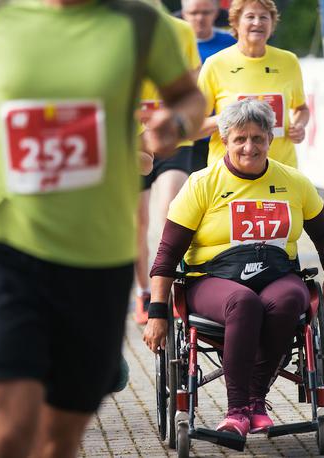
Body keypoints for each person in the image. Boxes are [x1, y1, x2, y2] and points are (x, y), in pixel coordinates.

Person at [0, 0, 206, 456]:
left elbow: (190, 95)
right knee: (9, 429)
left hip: (97, 254)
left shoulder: (141, 20)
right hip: (4, 245)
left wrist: (177, 121)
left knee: (60, 438)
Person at [143, 98, 324, 437]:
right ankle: (238, 410)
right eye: (240, 138)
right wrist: (157, 311)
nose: (249, 147)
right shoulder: (202, 183)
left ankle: (256, 401)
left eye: (257, 138)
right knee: (244, 303)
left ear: (269, 139)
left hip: (277, 272)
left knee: (287, 301)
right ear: (224, 139)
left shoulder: (293, 181)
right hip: (213, 278)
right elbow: (167, 252)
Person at [134, 7, 202, 325]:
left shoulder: (178, 30)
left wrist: (178, 120)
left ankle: (171, 285)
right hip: (129, 141)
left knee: (169, 209)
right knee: (139, 221)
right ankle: (143, 292)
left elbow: (194, 94)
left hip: (171, 138)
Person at [195, 0, 309, 169]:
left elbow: (301, 109)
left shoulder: (289, 61)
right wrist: (228, 118)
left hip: (281, 169)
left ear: (272, 23)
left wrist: (299, 126)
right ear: (236, 23)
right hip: (229, 173)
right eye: (250, 17)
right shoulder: (216, 64)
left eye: (264, 17)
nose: (257, 22)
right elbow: (194, 128)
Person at [181, 0, 236, 173]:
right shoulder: (172, 43)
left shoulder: (231, 43)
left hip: (221, 132)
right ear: (183, 14)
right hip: (184, 131)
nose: (200, 18)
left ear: (216, 13)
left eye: (206, 12)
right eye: (193, 13)